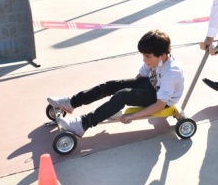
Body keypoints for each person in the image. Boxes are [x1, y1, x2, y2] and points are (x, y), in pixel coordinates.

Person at [47, 29, 185, 138]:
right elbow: (139, 78)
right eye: (143, 55)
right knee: (112, 85)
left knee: (122, 95)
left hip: (161, 100)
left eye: (147, 56)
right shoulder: (155, 60)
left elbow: (160, 105)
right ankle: (71, 103)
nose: (144, 59)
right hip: (153, 86)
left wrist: (131, 115)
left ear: (161, 55)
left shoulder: (171, 73)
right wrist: (123, 94)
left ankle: (82, 124)